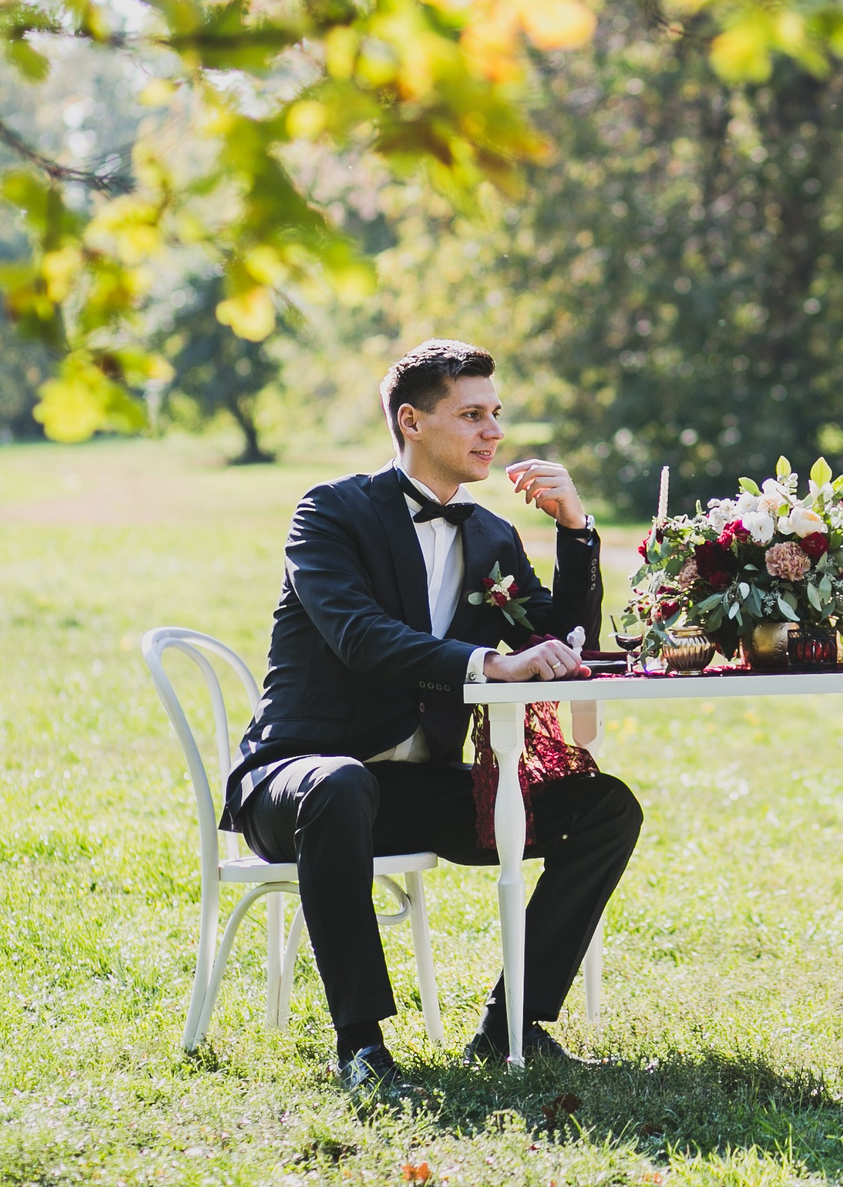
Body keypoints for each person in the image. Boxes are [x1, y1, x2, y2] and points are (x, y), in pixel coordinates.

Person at [222, 340, 642, 1099]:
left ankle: (513, 1024)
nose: (493, 433)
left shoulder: (489, 536)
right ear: (411, 421)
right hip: (298, 783)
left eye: (496, 415)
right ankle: (361, 1047)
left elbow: (565, 646)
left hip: (416, 793)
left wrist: (576, 530)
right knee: (341, 784)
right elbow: (361, 635)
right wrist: (487, 666)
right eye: (472, 414)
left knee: (606, 806)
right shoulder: (332, 512)